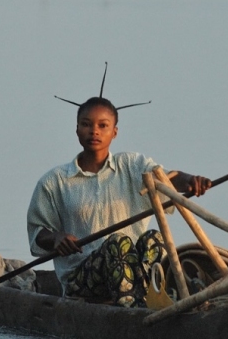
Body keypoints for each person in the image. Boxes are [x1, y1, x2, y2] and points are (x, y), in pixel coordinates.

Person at [27, 97, 212, 307]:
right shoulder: (55, 181)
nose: (94, 131)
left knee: (154, 237)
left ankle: (154, 298)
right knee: (117, 243)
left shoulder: (131, 165)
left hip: (134, 275)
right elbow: (37, 231)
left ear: (114, 132)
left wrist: (190, 181)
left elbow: (164, 178)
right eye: (86, 124)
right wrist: (56, 238)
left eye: (102, 126)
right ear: (77, 129)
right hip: (81, 280)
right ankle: (132, 309)